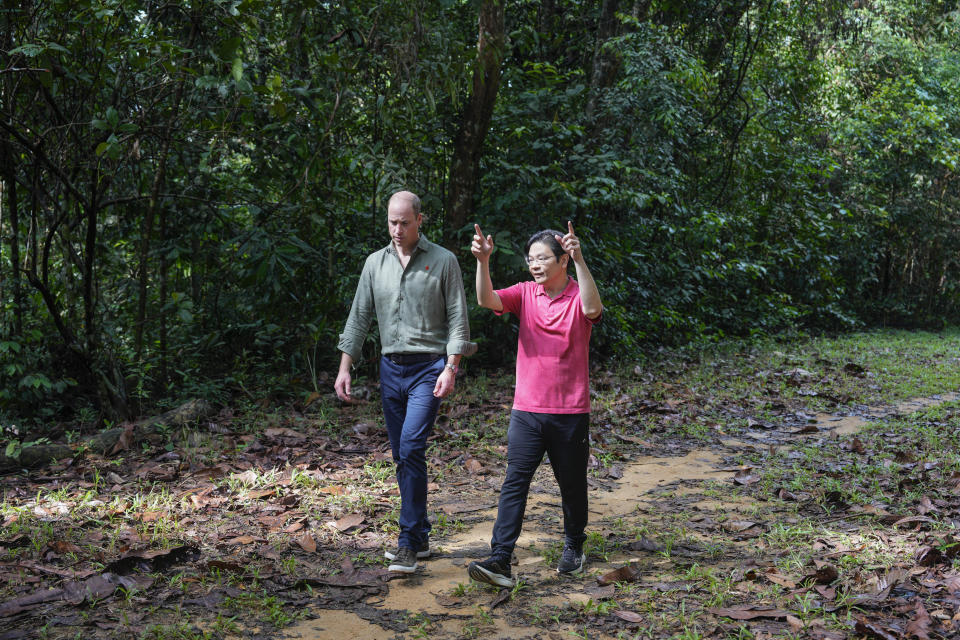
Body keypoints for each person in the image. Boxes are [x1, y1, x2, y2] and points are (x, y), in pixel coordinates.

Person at [335, 190, 472, 573]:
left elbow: (459, 319)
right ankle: (422, 536)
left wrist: (451, 367)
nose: (397, 229)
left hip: (429, 368)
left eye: (404, 222)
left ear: (419, 220)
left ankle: (408, 542)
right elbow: (359, 318)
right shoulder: (374, 264)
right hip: (389, 370)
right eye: (392, 222)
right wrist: (345, 367)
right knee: (402, 455)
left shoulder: (443, 261)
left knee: (412, 447)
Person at [467, 221, 602, 588]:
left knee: (571, 485)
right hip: (527, 411)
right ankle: (500, 559)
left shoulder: (578, 295)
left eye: (543, 258)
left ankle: (575, 542)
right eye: (530, 259)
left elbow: (592, 309)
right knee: (515, 482)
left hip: (570, 412)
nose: (535, 265)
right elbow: (487, 299)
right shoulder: (526, 293)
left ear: (562, 260)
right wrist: (483, 261)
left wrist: (581, 259)